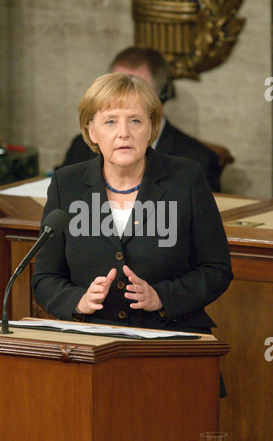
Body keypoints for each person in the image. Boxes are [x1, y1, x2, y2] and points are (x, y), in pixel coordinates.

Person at [32, 72, 233, 335]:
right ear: (92, 131)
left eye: (135, 121)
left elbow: (216, 269)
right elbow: (45, 277)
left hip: (170, 337)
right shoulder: (66, 184)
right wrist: (78, 301)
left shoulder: (186, 178)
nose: (123, 133)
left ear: (151, 128)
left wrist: (161, 297)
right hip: (93, 341)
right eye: (110, 122)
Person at [61, 46, 222, 192]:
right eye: (116, 89)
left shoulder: (198, 161)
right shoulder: (80, 148)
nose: (123, 133)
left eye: (139, 91)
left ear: (161, 99)